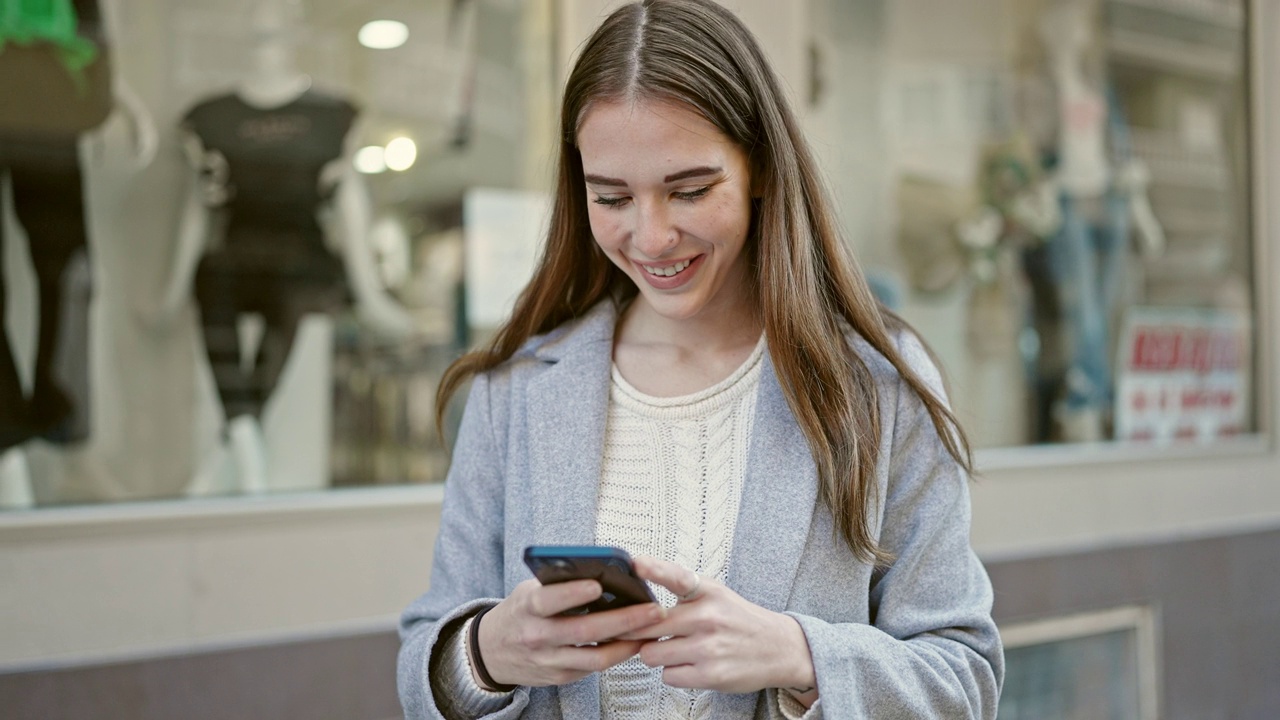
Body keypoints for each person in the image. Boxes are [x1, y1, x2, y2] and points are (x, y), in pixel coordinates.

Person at [398, 1, 1003, 718]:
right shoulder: (519, 390)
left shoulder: (875, 384)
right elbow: (422, 664)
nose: (651, 237)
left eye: (689, 190)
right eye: (612, 197)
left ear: (760, 171)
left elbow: (964, 678)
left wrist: (798, 654)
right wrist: (487, 652)